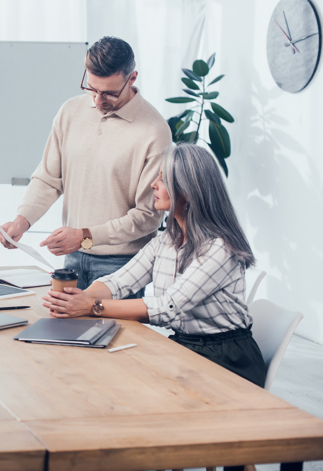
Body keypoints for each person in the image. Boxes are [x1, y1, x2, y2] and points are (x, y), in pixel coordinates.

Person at [42, 144, 267, 387]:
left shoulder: (219, 247)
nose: (154, 185)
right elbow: (119, 281)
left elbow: (167, 307)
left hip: (227, 359)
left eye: (163, 179)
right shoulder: (167, 240)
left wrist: (91, 307)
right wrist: (76, 301)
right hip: (186, 346)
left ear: (188, 191)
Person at [0, 36, 171, 296]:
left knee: (117, 337)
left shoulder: (155, 131)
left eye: (110, 92)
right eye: (91, 88)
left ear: (132, 78)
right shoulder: (70, 111)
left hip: (124, 265)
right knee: (63, 334)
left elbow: (148, 216)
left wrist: (85, 235)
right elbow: (48, 178)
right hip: (73, 259)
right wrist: (21, 221)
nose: (98, 100)